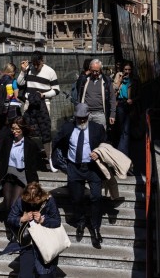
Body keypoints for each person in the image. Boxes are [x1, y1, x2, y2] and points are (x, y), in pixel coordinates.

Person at [52, 102, 107, 248]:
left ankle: (95, 228)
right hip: (74, 167)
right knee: (76, 198)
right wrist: (60, 162)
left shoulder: (97, 129)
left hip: (93, 168)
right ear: (75, 117)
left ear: (88, 116)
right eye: (79, 118)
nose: (81, 121)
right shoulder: (67, 128)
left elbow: (106, 144)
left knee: (96, 197)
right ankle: (81, 221)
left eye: (84, 118)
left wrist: (99, 153)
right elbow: (57, 142)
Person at [6, 182, 62, 277]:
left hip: (46, 244)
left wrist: (43, 220)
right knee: (25, 275)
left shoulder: (49, 200)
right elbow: (10, 219)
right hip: (28, 243)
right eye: (29, 202)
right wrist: (21, 219)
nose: (31, 204)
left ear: (40, 196)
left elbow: (57, 222)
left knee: (45, 274)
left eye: (34, 201)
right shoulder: (21, 201)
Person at [17, 51, 60, 172]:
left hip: (44, 104)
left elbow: (56, 90)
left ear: (42, 61)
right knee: (27, 130)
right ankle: (26, 159)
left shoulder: (50, 71)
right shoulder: (29, 69)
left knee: (45, 132)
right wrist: (23, 71)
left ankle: (50, 160)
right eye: (34, 64)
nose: (36, 67)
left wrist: (44, 95)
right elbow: (20, 83)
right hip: (29, 103)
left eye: (38, 64)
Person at [0, 117, 41, 228]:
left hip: (22, 176)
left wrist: (34, 184)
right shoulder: (7, 140)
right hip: (8, 174)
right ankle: (11, 225)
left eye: (17, 129)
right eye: (13, 129)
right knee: (7, 203)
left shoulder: (30, 144)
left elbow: (33, 165)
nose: (14, 131)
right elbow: (1, 160)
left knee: (13, 203)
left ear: (23, 129)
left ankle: (14, 227)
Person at [74, 59, 116, 130]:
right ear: (89, 69)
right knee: (85, 135)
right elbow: (78, 90)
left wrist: (112, 114)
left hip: (100, 114)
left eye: (97, 71)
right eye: (92, 71)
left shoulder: (106, 80)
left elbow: (112, 98)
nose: (94, 73)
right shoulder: (85, 80)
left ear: (101, 70)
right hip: (86, 114)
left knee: (100, 135)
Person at [115, 60, 140, 156]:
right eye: (125, 69)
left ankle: (123, 152)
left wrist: (133, 100)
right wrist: (120, 81)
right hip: (120, 104)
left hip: (130, 105)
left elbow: (139, 94)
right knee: (122, 128)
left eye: (129, 69)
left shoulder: (135, 79)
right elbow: (114, 90)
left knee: (126, 128)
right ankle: (123, 148)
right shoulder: (118, 77)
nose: (127, 71)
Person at [0, 63, 20, 133]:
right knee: (14, 127)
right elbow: (17, 97)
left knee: (2, 128)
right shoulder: (13, 81)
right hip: (12, 109)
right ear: (13, 72)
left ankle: (2, 142)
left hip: (0, 108)